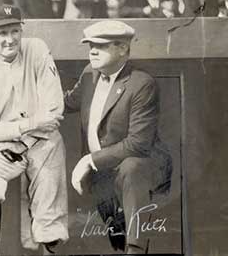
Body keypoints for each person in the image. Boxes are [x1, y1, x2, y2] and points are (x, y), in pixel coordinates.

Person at [0, 4, 68, 256]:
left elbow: (53, 111)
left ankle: (49, 248)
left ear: (22, 30)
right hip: (6, 147)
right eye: (1, 33)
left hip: (44, 143)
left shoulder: (37, 48)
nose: (10, 39)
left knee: (49, 220)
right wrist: (28, 125)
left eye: (14, 31)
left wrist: (9, 130)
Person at [65, 21, 172, 254]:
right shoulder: (88, 74)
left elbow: (138, 144)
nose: (92, 50)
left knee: (131, 168)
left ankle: (135, 249)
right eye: (90, 45)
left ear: (122, 49)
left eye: (100, 46)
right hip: (101, 174)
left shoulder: (141, 84)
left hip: (139, 169)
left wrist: (89, 160)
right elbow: (66, 103)